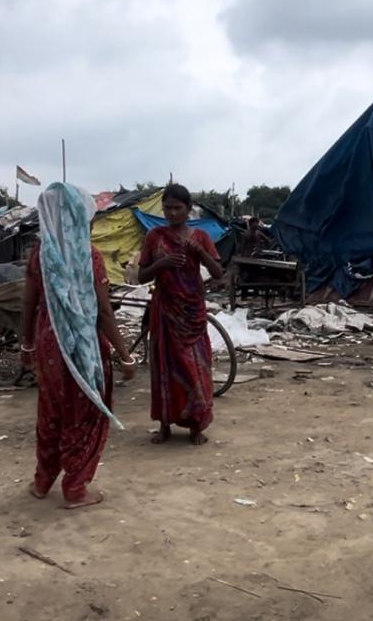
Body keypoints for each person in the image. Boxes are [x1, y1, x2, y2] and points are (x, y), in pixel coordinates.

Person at [21, 183, 135, 509]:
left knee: (51, 412)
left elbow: (28, 305)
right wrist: (125, 356)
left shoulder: (40, 255)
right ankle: (76, 488)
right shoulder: (90, 257)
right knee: (84, 415)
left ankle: (42, 482)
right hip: (84, 351)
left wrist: (27, 347)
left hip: (48, 345)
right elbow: (103, 312)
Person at [138, 184, 223, 445]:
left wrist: (199, 252)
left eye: (178, 208)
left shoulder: (201, 237)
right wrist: (161, 264)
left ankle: (196, 425)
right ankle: (164, 423)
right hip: (165, 310)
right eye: (168, 208)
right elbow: (142, 275)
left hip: (192, 311)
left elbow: (218, 273)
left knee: (196, 366)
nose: (172, 213)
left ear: (189, 210)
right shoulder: (154, 237)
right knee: (164, 365)